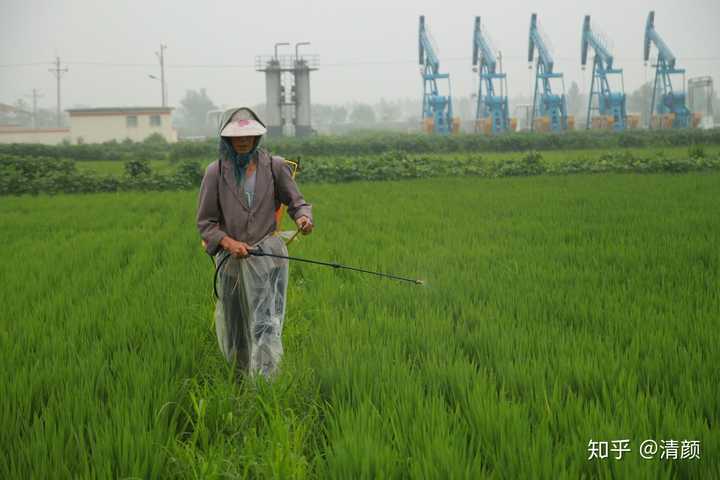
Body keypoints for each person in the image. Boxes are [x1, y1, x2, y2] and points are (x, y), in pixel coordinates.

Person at [196, 106, 313, 380]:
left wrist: (304, 219)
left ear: (257, 136)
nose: (243, 140)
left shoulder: (274, 166)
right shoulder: (215, 173)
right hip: (232, 262)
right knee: (237, 323)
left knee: (266, 321)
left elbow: (297, 202)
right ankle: (239, 379)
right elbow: (206, 223)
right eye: (237, 136)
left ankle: (266, 383)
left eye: (249, 135)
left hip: (266, 257)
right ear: (227, 139)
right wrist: (227, 242)